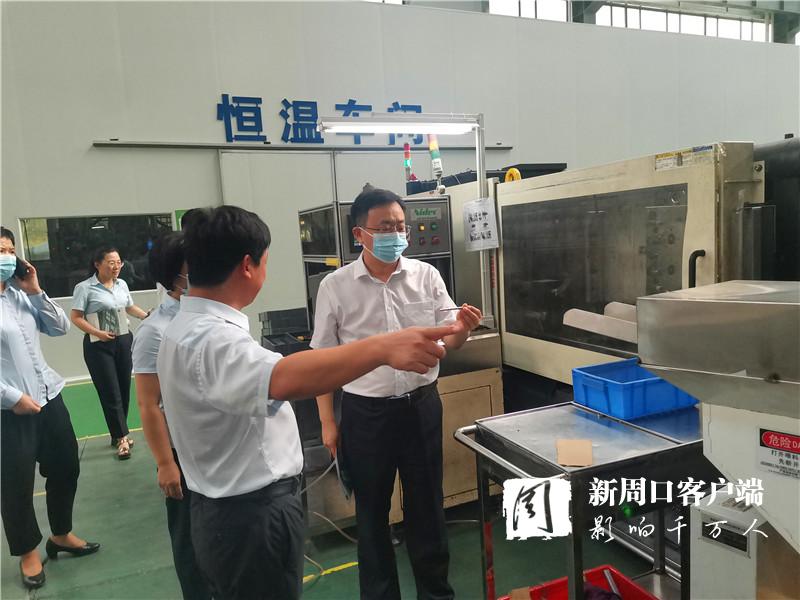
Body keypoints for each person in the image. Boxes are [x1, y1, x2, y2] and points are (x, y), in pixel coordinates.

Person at [157, 205, 456, 600]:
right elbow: (283, 378)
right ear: (248, 266)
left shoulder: (184, 327)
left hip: (231, 507)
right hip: (248, 514)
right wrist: (383, 348)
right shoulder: (211, 338)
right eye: (266, 262)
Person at [311, 187, 483, 600]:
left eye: (401, 226)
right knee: (372, 514)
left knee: (428, 507)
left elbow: (450, 340)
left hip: (421, 407)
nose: (396, 234)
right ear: (360, 234)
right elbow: (322, 360)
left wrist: (463, 328)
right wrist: (328, 423)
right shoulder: (336, 286)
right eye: (385, 227)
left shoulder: (426, 276)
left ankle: (435, 593)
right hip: (365, 414)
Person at [0, 226, 100, 591]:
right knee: (16, 484)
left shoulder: (20, 294)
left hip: (48, 396)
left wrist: (36, 290)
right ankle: (28, 552)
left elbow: (59, 328)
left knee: (66, 466)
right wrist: (12, 398)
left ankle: (60, 534)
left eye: (9, 250)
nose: (6, 257)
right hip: (10, 411)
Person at [132, 231, 211, 600]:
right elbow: (149, 404)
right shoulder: (154, 332)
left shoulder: (209, 315)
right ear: (174, 276)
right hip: (181, 450)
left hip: (213, 443)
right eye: (195, 266)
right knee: (189, 537)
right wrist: (165, 463)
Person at [70, 246, 149, 460]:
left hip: (123, 340)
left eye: (119, 262)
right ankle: (122, 437)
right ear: (98, 264)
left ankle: (117, 433)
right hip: (98, 344)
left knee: (123, 388)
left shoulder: (122, 284)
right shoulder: (84, 288)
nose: (116, 267)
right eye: (111, 263)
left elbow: (129, 307)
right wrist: (97, 333)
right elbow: (76, 317)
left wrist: (146, 316)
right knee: (110, 391)